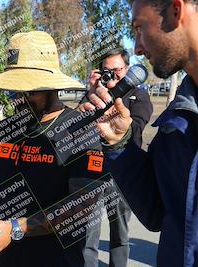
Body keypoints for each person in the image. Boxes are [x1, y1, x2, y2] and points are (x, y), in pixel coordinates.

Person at [0, 30, 113, 267]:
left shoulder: (79, 132)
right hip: (1, 259)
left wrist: (15, 228)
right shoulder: (1, 132)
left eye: (29, 91)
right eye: (14, 91)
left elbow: (80, 207)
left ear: (52, 88)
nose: (19, 99)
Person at [80, 0, 198, 266]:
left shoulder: (152, 104)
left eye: (138, 27)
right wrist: (118, 143)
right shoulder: (176, 119)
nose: (138, 47)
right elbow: (157, 213)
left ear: (176, 11)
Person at [79, 48, 153, 267]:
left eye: (117, 70)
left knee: (120, 233)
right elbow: (76, 128)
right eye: (106, 71)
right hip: (92, 172)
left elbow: (136, 130)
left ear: (128, 69)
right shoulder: (95, 96)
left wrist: (115, 100)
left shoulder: (139, 96)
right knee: (88, 234)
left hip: (122, 174)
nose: (112, 75)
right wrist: (91, 92)